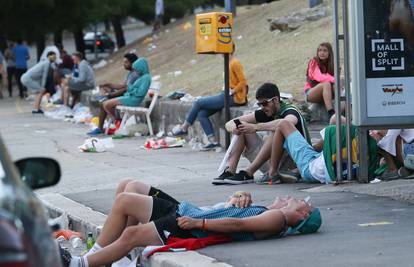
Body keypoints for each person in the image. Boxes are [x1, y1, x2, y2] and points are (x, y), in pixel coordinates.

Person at [68, 179, 321, 267]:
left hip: (187, 221)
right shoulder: (270, 213)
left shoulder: (278, 219)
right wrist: (236, 197)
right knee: (129, 186)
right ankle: (106, 259)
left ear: (301, 217)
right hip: (188, 212)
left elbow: (238, 227)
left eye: (300, 203)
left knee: (130, 228)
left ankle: (86, 261)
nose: (292, 198)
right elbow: (232, 216)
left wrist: (198, 223)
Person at [213, 83, 310, 185]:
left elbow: (286, 123)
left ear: (276, 100)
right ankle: (230, 171)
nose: (262, 107)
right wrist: (234, 128)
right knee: (241, 126)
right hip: (274, 163)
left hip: (294, 165)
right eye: (259, 104)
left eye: (264, 103)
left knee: (277, 129)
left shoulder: (290, 111)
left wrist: (256, 127)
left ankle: (249, 172)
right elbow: (230, 123)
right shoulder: (267, 111)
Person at [172, 44, 248, 150]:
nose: (220, 52)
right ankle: (213, 141)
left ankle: (184, 127)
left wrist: (232, 91)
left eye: (222, 49)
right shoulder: (228, 62)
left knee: (198, 102)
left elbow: (243, 81)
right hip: (226, 94)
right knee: (201, 114)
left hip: (234, 97)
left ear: (229, 50)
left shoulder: (235, 63)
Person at [265, 119, 378, 184]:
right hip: (319, 161)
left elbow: (333, 125)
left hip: (311, 167)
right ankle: (295, 170)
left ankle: (272, 173)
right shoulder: (373, 147)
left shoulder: (343, 132)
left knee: (283, 125)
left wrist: (256, 127)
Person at [88, 57, 151, 135]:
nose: (136, 71)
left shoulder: (146, 78)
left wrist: (130, 89)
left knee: (106, 104)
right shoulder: (142, 77)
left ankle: (118, 120)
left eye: (137, 69)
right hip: (129, 97)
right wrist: (129, 88)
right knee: (104, 104)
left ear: (141, 67)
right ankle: (117, 121)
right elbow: (129, 87)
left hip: (133, 99)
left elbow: (140, 93)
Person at [304, 42, 336, 117]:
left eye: (325, 50)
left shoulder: (332, 64)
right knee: (326, 83)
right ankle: (331, 112)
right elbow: (319, 77)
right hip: (311, 92)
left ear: (329, 53)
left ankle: (341, 108)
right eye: (320, 50)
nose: (322, 53)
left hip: (327, 92)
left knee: (335, 85)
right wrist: (334, 79)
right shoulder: (313, 62)